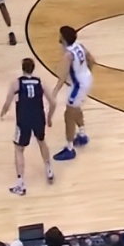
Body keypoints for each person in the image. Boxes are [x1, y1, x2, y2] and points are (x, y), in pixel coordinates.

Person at [0, 57, 56, 195]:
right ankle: (49, 169)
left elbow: (8, 102)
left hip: (23, 120)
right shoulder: (40, 82)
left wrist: (3, 113)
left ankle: (20, 183)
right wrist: (49, 118)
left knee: (19, 149)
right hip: (39, 118)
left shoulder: (16, 83)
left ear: (22, 68)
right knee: (42, 142)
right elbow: (53, 103)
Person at [51, 26, 93, 161]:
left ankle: (70, 149)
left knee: (68, 114)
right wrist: (86, 73)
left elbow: (62, 77)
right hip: (86, 79)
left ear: (63, 38)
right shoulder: (79, 46)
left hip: (78, 86)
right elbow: (91, 60)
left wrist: (54, 92)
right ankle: (82, 135)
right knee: (76, 108)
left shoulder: (68, 55)